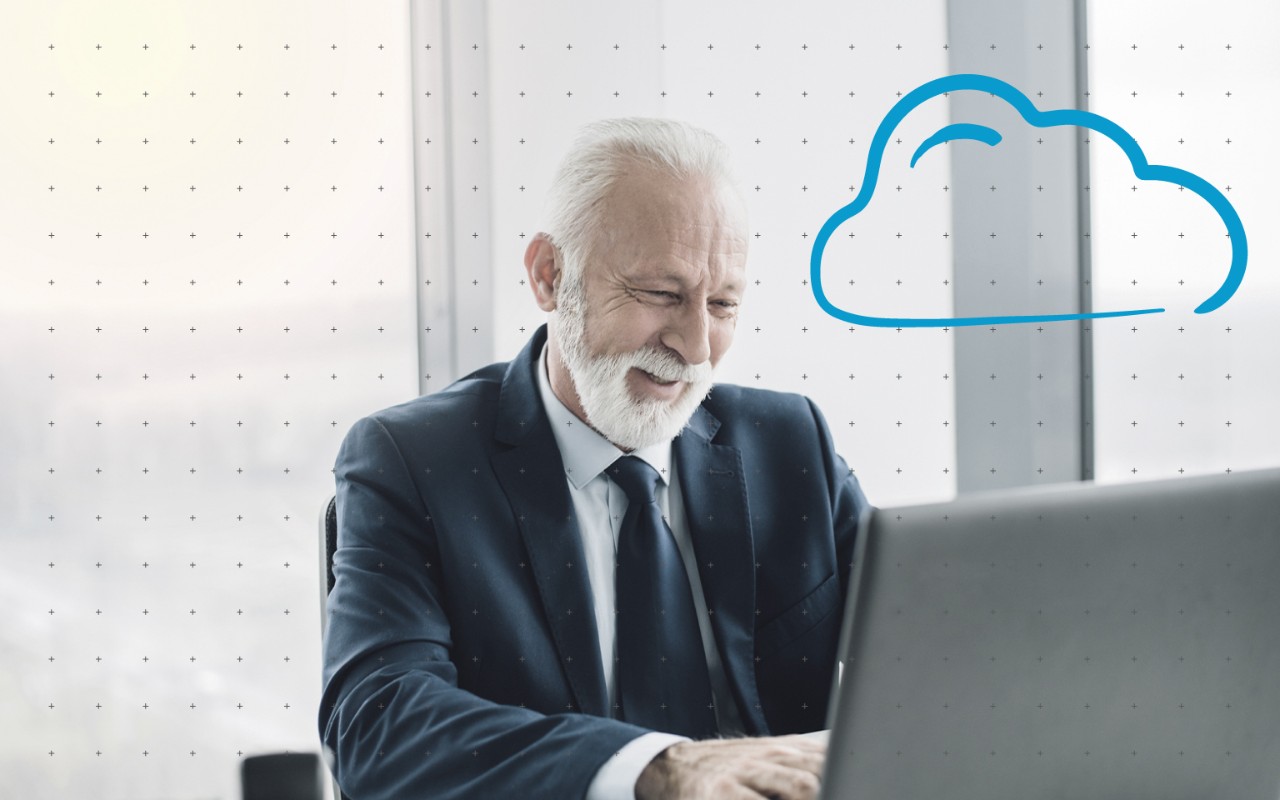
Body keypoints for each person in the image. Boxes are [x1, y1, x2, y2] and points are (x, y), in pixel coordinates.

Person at [320, 118, 869, 799]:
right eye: (662, 295)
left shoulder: (791, 446)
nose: (696, 346)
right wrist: (657, 770)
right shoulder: (413, 461)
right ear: (550, 277)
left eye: (723, 304)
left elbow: (937, 651)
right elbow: (377, 729)